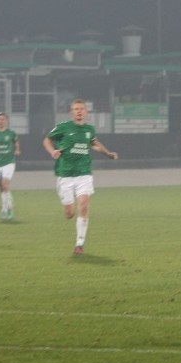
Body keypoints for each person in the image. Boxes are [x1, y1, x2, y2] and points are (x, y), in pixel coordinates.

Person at [43, 99, 118, 255]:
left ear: (86, 112)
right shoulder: (64, 127)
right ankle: (68, 207)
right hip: (65, 174)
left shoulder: (89, 129)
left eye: (81, 109)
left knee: (83, 205)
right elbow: (47, 140)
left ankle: (79, 244)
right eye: (76, 109)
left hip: (84, 173)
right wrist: (52, 151)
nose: (79, 111)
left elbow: (95, 143)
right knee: (69, 213)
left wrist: (108, 153)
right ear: (71, 112)